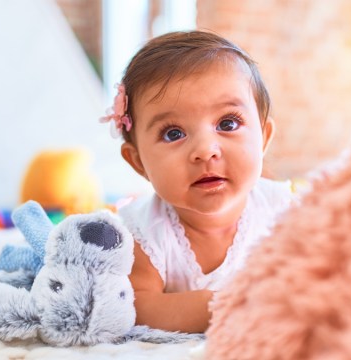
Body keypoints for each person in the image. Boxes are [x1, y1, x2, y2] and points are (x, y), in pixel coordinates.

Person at [100, 30, 293, 334]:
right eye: (173, 133)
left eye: (227, 123)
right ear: (138, 162)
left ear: (264, 138)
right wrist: (219, 307)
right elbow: (134, 304)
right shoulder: (143, 233)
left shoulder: (283, 212)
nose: (205, 150)